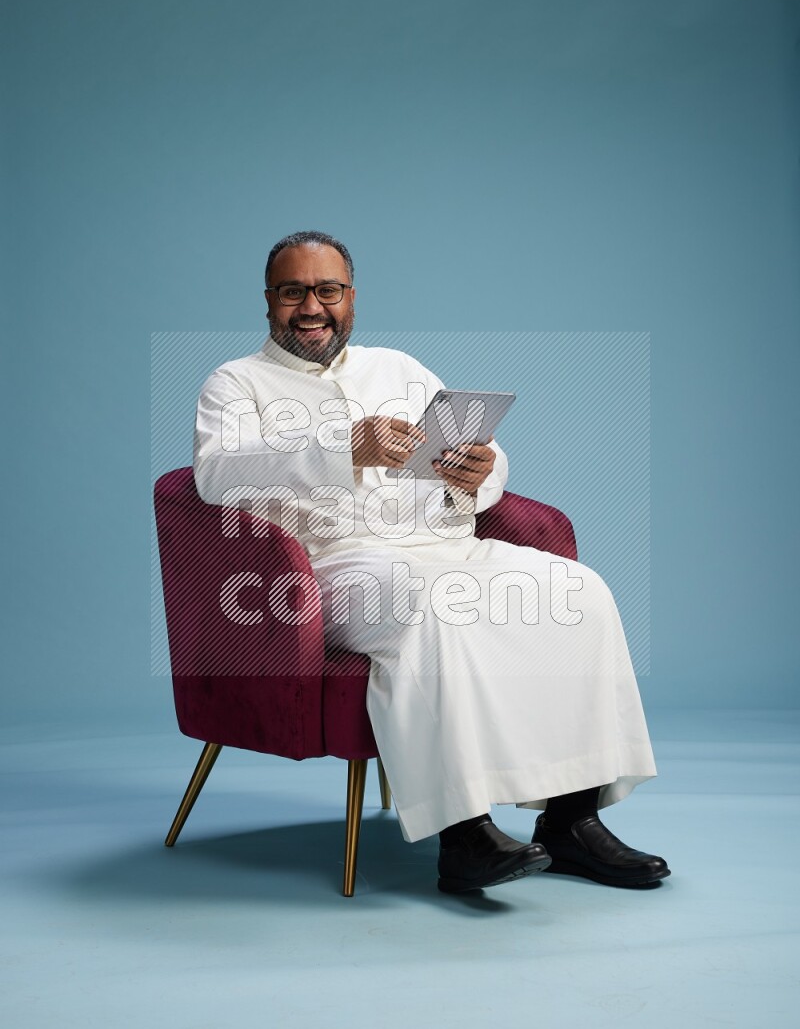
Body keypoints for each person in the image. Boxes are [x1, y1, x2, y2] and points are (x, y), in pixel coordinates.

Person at [193, 230, 669, 893]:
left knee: (579, 591)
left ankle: (571, 822)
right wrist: (342, 447)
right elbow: (216, 477)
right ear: (269, 301)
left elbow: (480, 455)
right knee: (433, 608)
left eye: (327, 290)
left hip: (447, 545)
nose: (311, 306)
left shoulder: (400, 369)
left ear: (350, 299)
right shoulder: (235, 384)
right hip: (335, 567)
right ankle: (463, 835)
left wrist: (479, 474)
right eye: (293, 291)